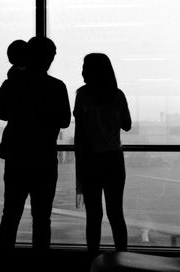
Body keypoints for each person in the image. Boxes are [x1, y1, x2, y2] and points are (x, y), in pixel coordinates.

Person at [0, 36, 71, 262]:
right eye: (51, 55)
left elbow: (0, 112)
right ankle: (40, 263)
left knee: (10, 215)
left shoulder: (13, 83)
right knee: (42, 218)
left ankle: (3, 261)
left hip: (17, 156)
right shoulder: (57, 86)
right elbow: (65, 120)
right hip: (44, 157)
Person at [73, 53, 132, 261]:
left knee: (94, 216)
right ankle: (123, 258)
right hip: (114, 159)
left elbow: (79, 132)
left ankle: (92, 258)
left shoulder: (82, 95)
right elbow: (127, 124)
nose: (82, 72)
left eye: (85, 68)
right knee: (116, 213)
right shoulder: (117, 95)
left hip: (90, 160)